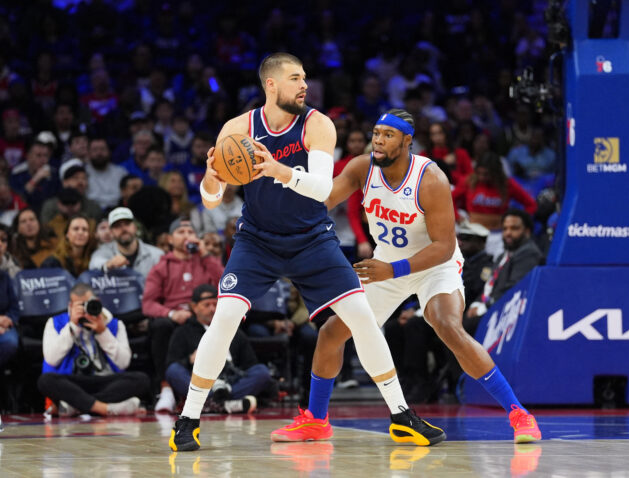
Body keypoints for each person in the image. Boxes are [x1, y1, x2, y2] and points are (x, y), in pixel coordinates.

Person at [170, 54, 439, 452]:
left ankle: (401, 415)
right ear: (271, 85)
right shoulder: (237, 129)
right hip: (257, 240)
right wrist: (212, 175)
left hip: (312, 238)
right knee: (224, 317)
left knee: (362, 318)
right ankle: (188, 419)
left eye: (305, 78)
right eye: (295, 78)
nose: (304, 85)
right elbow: (211, 201)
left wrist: (275, 168)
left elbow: (319, 188)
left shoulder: (317, 124)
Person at [272, 109, 541, 445]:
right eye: (376, 133)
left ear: (407, 141)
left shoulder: (430, 179)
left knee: (448, 327)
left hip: (433, 266)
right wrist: (280, 196)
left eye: (388, 135)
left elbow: (444, 246)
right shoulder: (361, 167)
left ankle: (519, 414)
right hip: (386, 264)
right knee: (331, 333)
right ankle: (316, 419)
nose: (379, 141)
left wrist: (394, 270)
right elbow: (321, 201)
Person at [144, 217, 223, 413]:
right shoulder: (161, 266)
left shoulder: (206, 261)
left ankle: (220, 386)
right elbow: (148, 303)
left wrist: (206, 255)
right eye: (181, 232)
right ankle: (166, 388)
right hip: (175, 320)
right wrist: (170, 313)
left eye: (190, 232)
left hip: (204, 317)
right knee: (160, 326)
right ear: (170, 239)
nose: (187, 236)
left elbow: (226, 285)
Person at [37, 282, 150, 416]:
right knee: (45, 380)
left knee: (142, 379)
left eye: (88, 304)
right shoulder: (55, 323)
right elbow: (51, 359)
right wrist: (73, 326)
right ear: (70, 306)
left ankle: (76, 407)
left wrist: (103, 332)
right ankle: (105, 408)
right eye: (80, 305)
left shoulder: (114, 324)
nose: (85, 309)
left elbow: (124, 362)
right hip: (72, 381)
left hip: (105, 380)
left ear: (97, 302)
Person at [165, 285, 274, 414]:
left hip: (230, 382)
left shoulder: (234, 331)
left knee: (261, 372)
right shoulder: (182, 332)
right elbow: (172, 364)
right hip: (200, 381)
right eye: (206, 305)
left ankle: (214, 403)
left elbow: (250, 364)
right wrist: (189, 360)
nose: (212, 309)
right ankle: (225, 404)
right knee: (173, 371)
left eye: (215, 304)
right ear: (194, 307)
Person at [452, 151, 537, 259]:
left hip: (498, 235)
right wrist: (457, 217)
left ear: (495, 173)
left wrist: (519, 223)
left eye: (486, 174)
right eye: (479, 173)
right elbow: (449, 199)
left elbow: (531, 204)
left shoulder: (507, 185)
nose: (482, 177)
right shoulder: (470, 181)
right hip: (473, 235)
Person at [89, 207, 164, 279]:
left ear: (135, 227)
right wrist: (108, 264)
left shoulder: (156, 255)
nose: (123, 229)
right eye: (117, 226)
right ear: (111, 232)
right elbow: (94, 263)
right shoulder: (104, 251)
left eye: (127, 224)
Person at [0, 268, 19, 370]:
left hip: (4, 325)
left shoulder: (4, 277)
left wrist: (8, 320)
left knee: (10, 343)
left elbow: (15, 308)